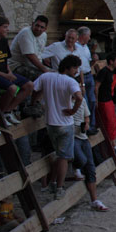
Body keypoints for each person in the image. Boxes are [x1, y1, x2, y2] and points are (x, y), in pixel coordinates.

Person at [32, 54, 84, 200]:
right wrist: (73, 111)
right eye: (75, 68)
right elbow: (79, 97)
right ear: (68, 67)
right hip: (65, 122)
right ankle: (59, 187)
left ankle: (53, 182)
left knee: (58, 154)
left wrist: (34, 103)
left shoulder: (46, 77)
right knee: (64, 157)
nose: (76, 71)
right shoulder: (70, 81)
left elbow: (34, 89)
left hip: (50, 123)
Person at [0, 16, 33, 125]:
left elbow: (5, 61)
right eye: (5, 27)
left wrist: (9, 72)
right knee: (12, 88)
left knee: (29, 85)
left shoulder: (4, 41)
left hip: (5, 73)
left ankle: (8, 111)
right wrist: (5, 76)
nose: (7, 30)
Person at [70, 75, 109, 212]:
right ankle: (74, 167)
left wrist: (86, 123)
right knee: (82, 160)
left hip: (82, 136)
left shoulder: (83, 101)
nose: (81, 89)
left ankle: (94, 199)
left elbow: (86, 116)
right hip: (72, 136)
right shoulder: (66, 102)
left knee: (90, 168)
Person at [8, 15, 50, 81]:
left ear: (45, 29)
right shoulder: (26, 32)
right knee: (45, 78)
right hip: (16, 66)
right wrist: (46, 71)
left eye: (42, 27)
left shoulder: (44, 35)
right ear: (32, 24)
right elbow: (30, 56)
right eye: (37, 25)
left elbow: (39, 52)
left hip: (32, 66)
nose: (38, 29)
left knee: (56, 75)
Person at [95, 53, 116, 154]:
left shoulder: (111, 71)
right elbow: (96, 86)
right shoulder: (104, 71)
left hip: (109, 99)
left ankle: (114, 145)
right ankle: (111, 147)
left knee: (113, 122)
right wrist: (96, 100)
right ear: (111, 61)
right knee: (109, 123)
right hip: (104, 100)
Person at [76, 27, 97, 129]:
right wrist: (82, 83)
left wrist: (94, 61)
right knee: (85, 102)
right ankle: (87, 126)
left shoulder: (86, 47)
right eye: (88, 36)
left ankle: (92, 125)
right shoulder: (75, 47)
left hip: (89, 74)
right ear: (83, 36)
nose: (89, 38)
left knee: (92, 101)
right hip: (82, 76)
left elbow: (88, 63)